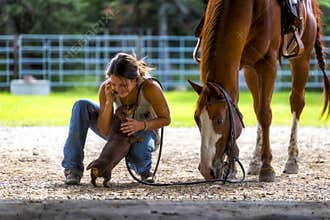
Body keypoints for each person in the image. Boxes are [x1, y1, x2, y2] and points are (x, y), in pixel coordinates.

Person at [61, 52, 171, 185]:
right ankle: (73, 168)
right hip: (117, 129)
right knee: (81, 105)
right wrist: (108, 102)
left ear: (135, 79)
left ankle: (144, 171)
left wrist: (140, 125)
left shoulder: (150, 88)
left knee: (139, 155)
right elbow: (104, 129)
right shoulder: (107, 88)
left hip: (145, 130)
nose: (118, 89)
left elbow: (166, 119)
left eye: (123, 85)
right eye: (114, 84)